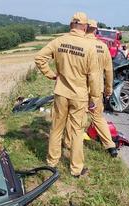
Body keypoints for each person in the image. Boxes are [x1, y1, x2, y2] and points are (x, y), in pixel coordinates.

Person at [35, 12, 100, 178]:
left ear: (71, 25)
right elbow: (94, 77)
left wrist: (51, 74)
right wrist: (94, 98)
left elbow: (39, 58)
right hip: (80, 95)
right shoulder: (90, 47)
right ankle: (76, 169)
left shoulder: (59, 41)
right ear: (85, 27)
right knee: (77, 132)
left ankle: (51, 163)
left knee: (56, 128)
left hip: (61, 92)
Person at [64, 19, 118, 158]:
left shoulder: (79, 44)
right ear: (96, 29)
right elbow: (109, 71)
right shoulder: (102, 46)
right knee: (98, 117)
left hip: (79, 87)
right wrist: (108, 88)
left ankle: (69, 143)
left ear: (84, 28)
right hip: (97, 88)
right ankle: (110, 146)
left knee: (74, 117)